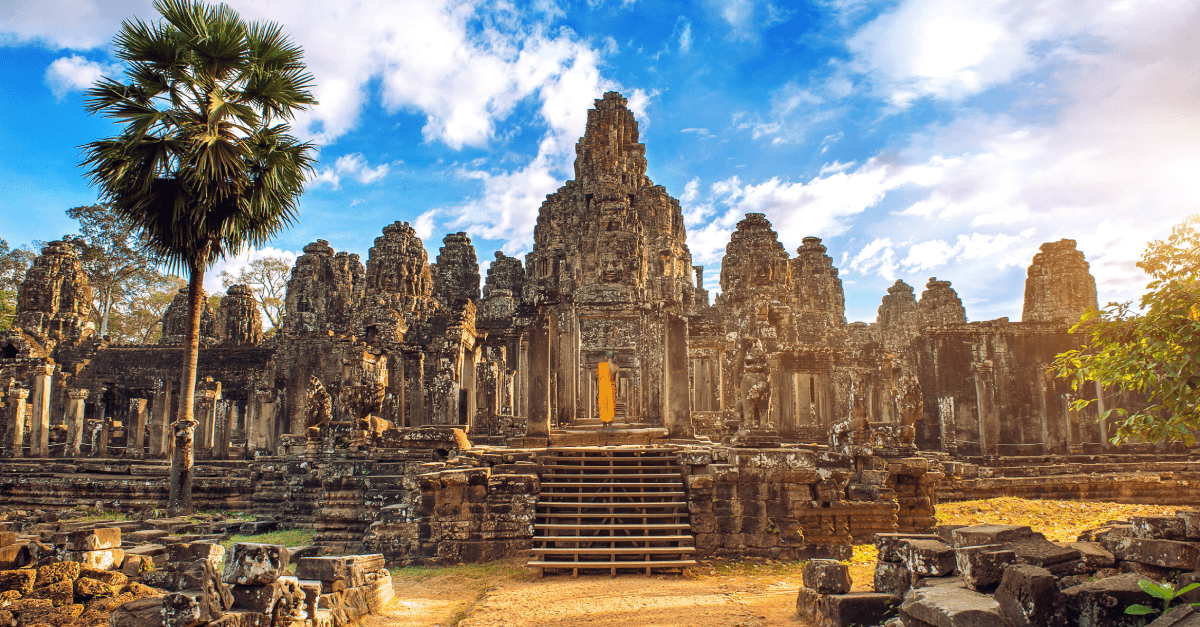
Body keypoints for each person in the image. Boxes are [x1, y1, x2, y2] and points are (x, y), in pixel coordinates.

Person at [597, 350, 618, 431]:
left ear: (605, 357)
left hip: (603, 389)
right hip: (612, 388)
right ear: (614, 357)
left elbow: (600, 380)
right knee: (611, 406)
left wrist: (598, 391)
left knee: (604, 406)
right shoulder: (616, 367)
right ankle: (610, 426)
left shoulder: (601, 366)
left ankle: (604, 426)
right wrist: (616, 392)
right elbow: (617, 382)